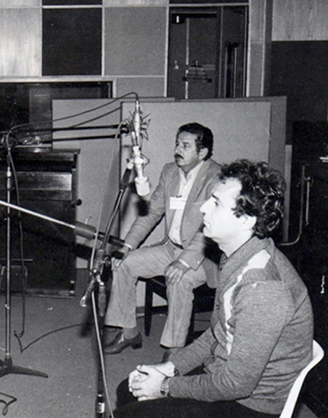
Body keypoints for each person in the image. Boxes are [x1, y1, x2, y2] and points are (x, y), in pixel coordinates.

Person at [115, 159, 314, 418]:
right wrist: (171, 368)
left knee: (131, 412)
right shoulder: (237, 254)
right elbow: (216, 334)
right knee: (128, 391)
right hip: (223, 376)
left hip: (251, 405)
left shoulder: (263, 287)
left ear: (247, 220)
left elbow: (237, 385)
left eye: (216, 203)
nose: (204, 209)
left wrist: (165, 386)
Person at [104, 122, 221, 357]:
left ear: (203, 152)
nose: (177, 149)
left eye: (185, 146)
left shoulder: (216, 177)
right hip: (170, 249)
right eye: (177, 143)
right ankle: (129, 332)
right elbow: (152, 213)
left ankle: (175, 349)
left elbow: (207, 229)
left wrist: (184, 262)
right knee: (123, 263)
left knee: (179, 280)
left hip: (202, 257)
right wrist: (127, 247)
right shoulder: (170, 172)